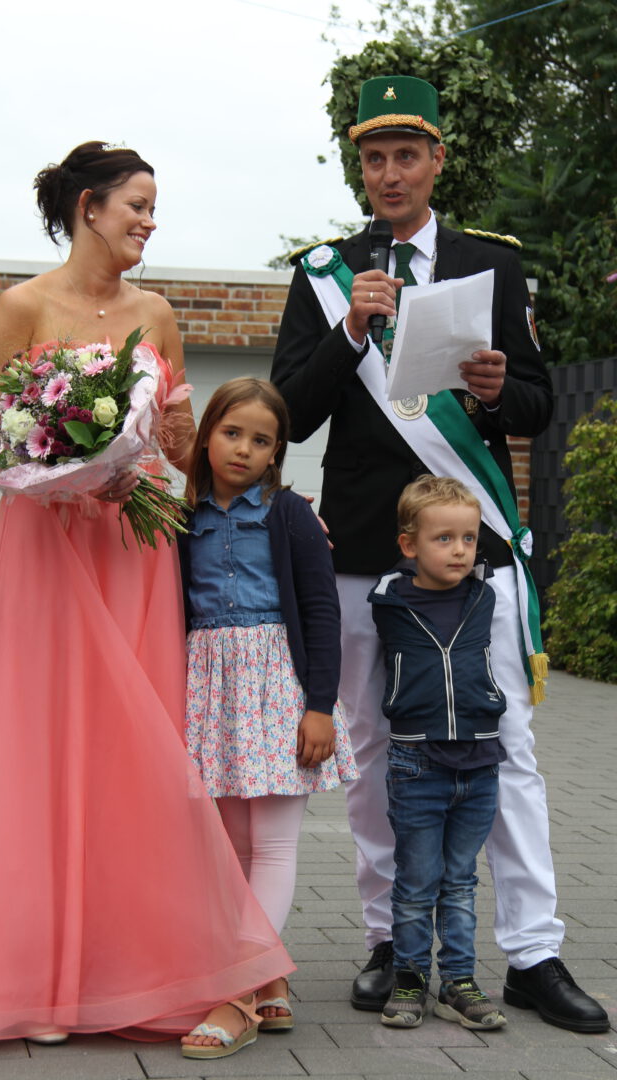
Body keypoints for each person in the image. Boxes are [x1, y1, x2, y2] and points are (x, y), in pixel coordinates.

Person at [0, 142, 292, 1047]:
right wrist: (61, 453)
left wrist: (206, 468)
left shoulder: (157, 313)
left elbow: (182, 447)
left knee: (136, 750)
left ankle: (132, 964)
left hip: (133, 547)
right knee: (40, 749)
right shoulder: (22, 306)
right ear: (89, 206)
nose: (150, 221)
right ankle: (34, 978)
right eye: (137, 205)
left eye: (154, 207)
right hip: (46, 550)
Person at [271, 75, 609, 1033]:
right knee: (377, 749)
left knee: (508, 746)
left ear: (437, 162)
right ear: (362, 168)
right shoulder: (326, 272)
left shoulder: (491, 264)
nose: (390, 173)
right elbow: (290, 411)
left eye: (407, 155)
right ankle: (393, 942)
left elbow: (535, 405)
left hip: (472, 547)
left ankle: (533, 953)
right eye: (375, 158)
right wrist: (351, 328)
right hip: (365, 548)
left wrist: (498, 389)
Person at [178, 377, 358, 1053]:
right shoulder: (182, 517)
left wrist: (319, 707)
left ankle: (235, 996)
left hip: (278, 687)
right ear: (206, 436)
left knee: (274, 845)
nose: (244, 449)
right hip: (213, 691)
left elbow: (322, 611)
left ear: (277, 452)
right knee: (234, 850)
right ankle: (271, 978)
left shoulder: (289, 515)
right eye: (232, 433)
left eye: (262, 440)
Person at [369, 475, 507, 1030]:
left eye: (468, 538)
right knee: (416, 882)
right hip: (417, 764)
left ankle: (458, 981)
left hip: (480, 765)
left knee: (461, 881)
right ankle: (408, 978)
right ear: (409, 545)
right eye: (443, 538)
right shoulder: (390, 601)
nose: (459, 550)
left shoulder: (483, 596)